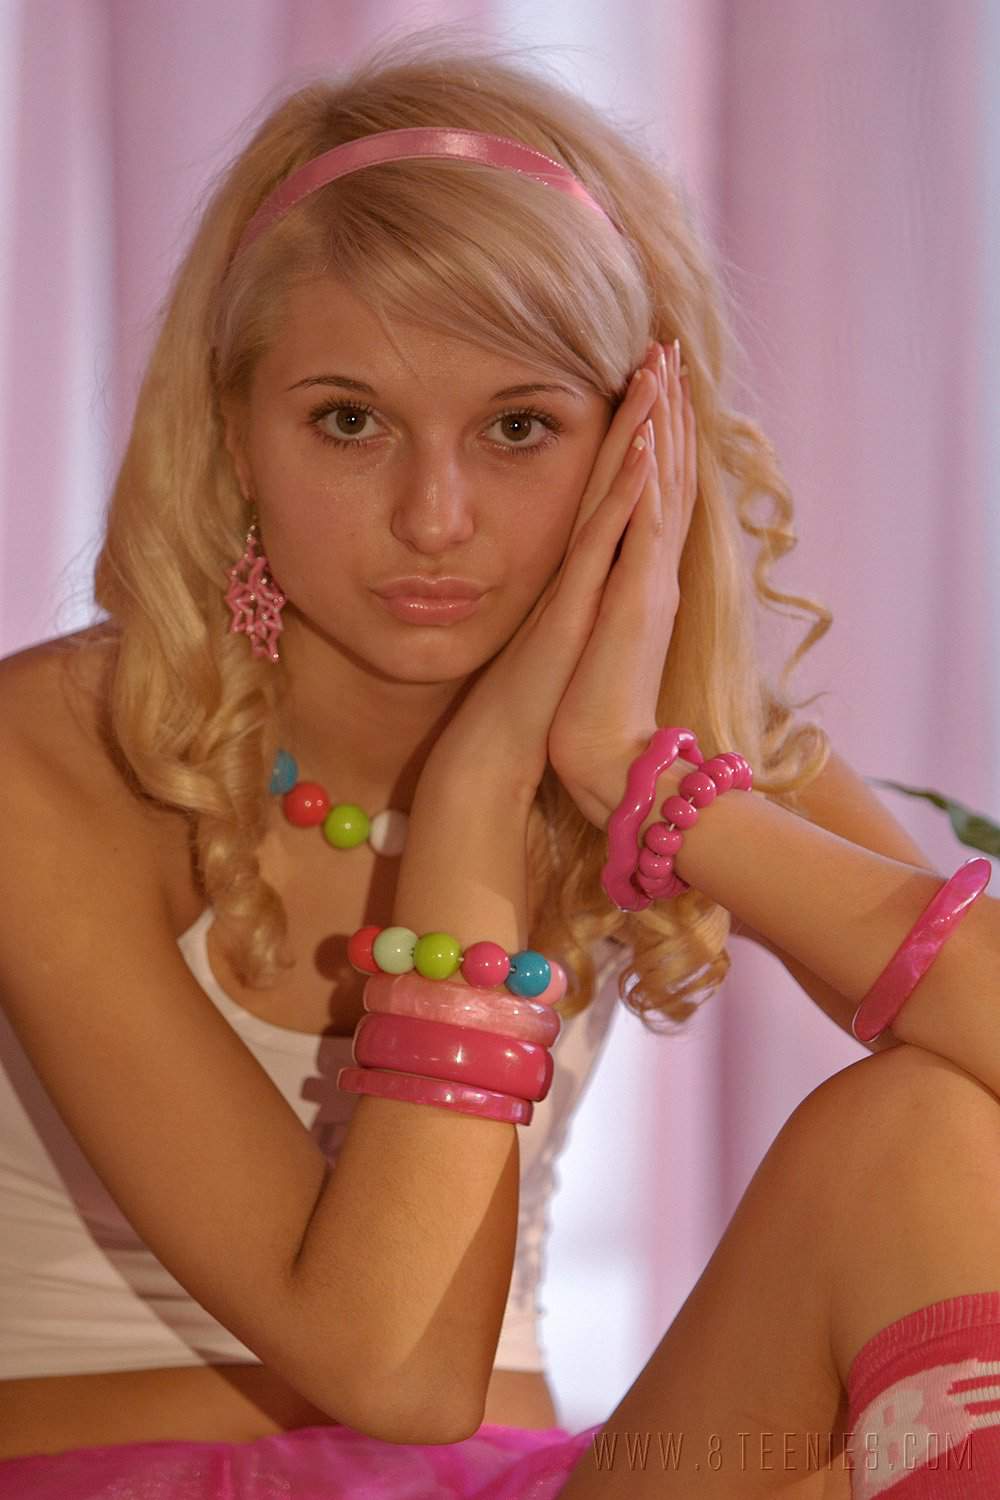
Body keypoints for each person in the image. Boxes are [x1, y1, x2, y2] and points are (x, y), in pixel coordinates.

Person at [1, 25, 999, 1499]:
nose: (435, 516)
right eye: (351, 422)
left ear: (637, 448)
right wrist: (473, 805)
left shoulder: (671, 735)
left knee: (923, 1124)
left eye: (520, 426)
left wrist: (649, 782)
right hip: (112, 1470)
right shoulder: (50, 754)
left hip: (523, 1479)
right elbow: (396, 1371)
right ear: (235, 437)